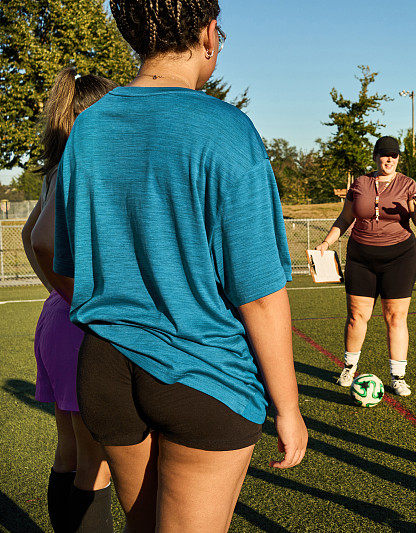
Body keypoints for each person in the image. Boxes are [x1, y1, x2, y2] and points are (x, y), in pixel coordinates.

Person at [52, 1, 308, 531]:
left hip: (105, 370)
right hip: (203, 371)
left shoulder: (89, 127)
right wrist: (288, 406)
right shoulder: (227, 130)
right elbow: (258, 292)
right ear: (209, 33)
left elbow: (67, 260)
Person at [22, 66, 116, 533]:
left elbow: (27, 235)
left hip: (58, 320)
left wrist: (60, 298)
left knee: (70, 452)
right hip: (80, 325)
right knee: (94, 466)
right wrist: (81, 300)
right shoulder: (80, 167)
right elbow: (40, 240)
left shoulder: (56, 166)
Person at [317, 136, 416, 396]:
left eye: (393, 155)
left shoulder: (408, 184)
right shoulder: (360, 183)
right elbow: (345, 218)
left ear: (399, 158)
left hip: (399, 257)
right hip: (361, 257)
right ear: (375, 156)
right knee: (357, 317)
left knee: (396, 317)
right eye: (384, 154)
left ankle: (398, 377)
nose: (388, 159)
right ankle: (349, 367)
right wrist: (326, 242)